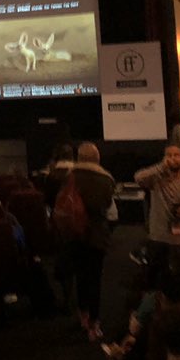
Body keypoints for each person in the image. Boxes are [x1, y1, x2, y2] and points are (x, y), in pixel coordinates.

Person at [134, 145, 180, 279]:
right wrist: (161, 167)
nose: (172, 159)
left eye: (176, 155)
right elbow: (138, 178)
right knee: (156, 280)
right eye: (168, 155)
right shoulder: (156, 179)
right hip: (159, 239)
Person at [68, 142, 116, 342]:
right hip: (96, 235)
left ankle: (83, 314)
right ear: (97, 158)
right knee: (94, 278)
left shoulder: (68, 176)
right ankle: (94, 324)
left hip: (73, 234)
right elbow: (107, 207)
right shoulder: (106, 179)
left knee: (80, 275)